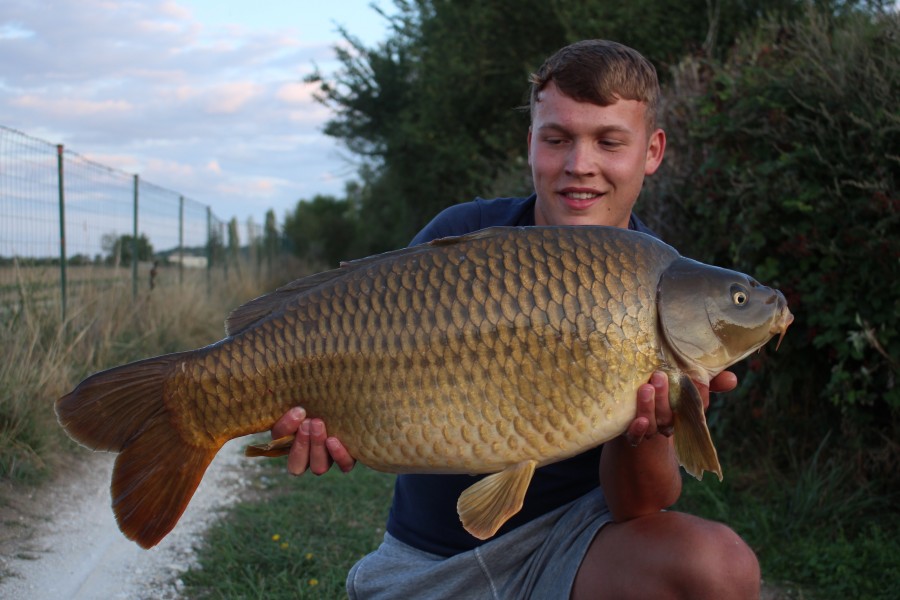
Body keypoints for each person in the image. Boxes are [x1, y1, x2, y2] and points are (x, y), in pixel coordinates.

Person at [271, 39, 761, 599]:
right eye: (557, 139)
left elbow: (640, 507)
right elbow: (357, 355)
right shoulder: (464, 237)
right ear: (531, 143)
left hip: (573, 548)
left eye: (608, 141)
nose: (581, 165)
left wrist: (652, 428)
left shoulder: (662, 280)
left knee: (722, 568)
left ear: (651, 151)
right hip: (431, 556)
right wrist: (322, 419)